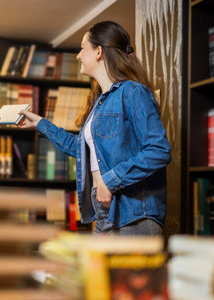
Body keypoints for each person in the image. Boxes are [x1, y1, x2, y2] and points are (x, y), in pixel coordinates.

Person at [19, 21, 171, 235]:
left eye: (83, 48)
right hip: (104, 210)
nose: (79, 55)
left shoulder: (133, 92)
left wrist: (110, 180)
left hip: (133, 213)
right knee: (93, 269)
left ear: (99, 51)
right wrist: (41, 124)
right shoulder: (99, 102)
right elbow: (82, 149)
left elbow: (159, 151)